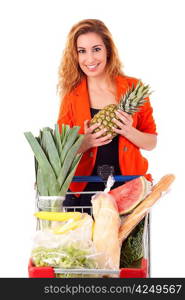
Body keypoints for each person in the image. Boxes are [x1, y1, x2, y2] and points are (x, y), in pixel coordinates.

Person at [57, 19, 157, 208]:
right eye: (82, 51)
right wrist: (84, 143)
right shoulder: (71, 96)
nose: (90, 59)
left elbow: (151, 142)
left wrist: (129, 131)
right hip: (83, 189)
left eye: (96, 49)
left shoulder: (133, 87)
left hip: (127, 184)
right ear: (75, 56)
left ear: (108, 50)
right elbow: (60, 154)